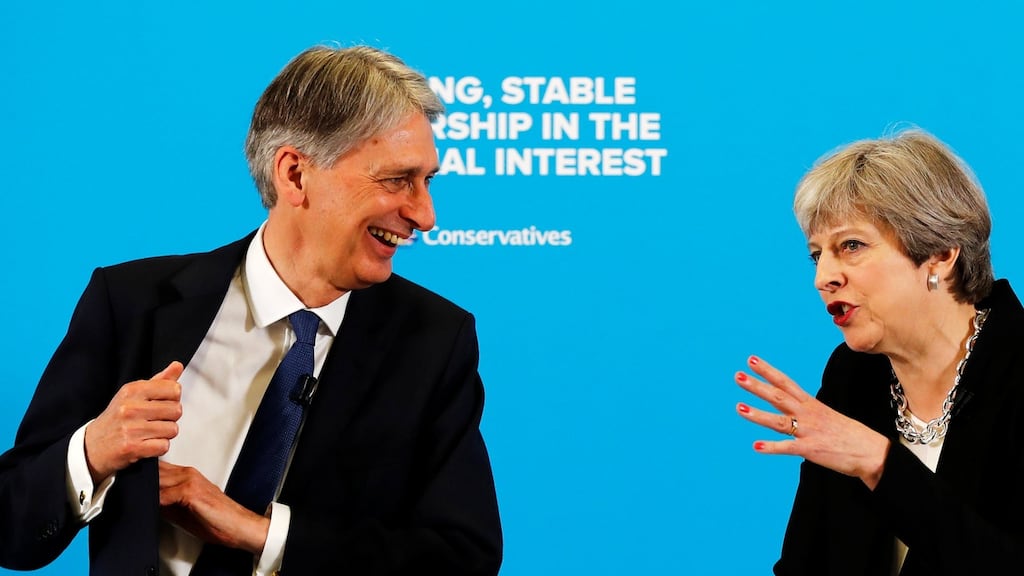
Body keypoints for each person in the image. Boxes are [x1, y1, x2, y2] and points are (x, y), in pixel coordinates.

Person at [0, 44, 502, 575]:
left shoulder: (432, 341)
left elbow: (460, 559)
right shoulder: (131, 303)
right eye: (397, 180)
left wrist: (262, 535)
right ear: (294, 175)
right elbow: (12, 527)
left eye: (428, 181)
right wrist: (92, 452)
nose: (425, 215)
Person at [734, 128, 1024, 575]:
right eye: (817, 255)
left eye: (851, 246)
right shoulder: (853, 375)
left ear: (941, 253)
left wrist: (879, 464)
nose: (823, 277)